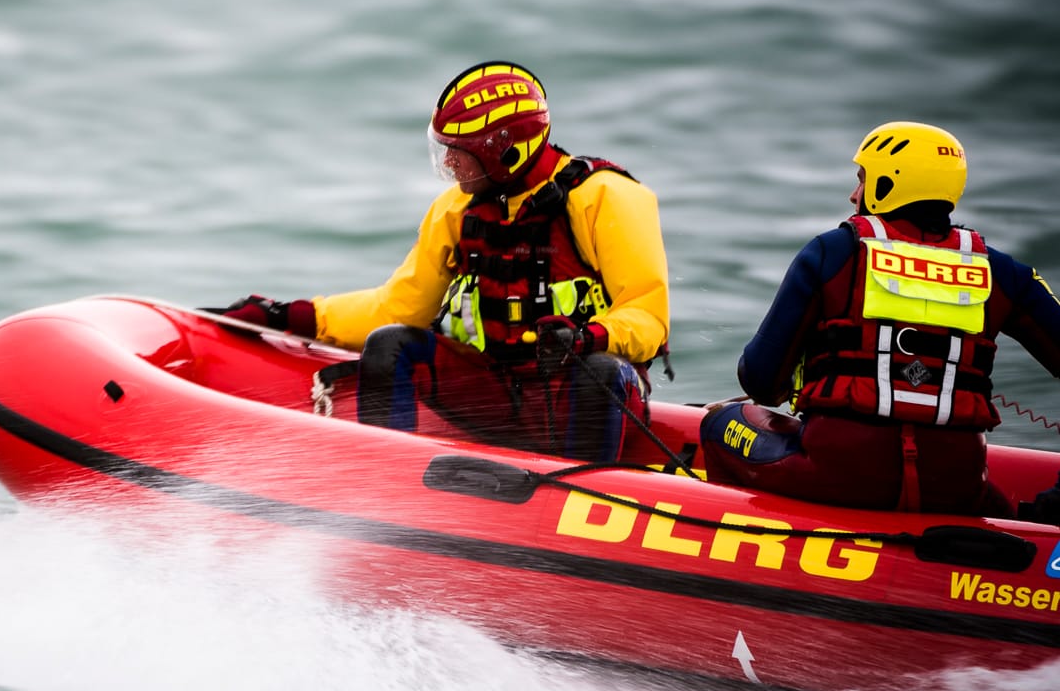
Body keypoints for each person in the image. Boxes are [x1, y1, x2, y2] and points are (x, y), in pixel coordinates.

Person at [217, 60, 670, 461]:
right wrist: (288, 315)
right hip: (495, 391)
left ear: (504, 149)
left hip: (580, 392)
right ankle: (388, 478)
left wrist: (588, 338)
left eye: (460, 151)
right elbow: (398, 308)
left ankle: (580, 509)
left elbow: (650, 319)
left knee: (602, 371)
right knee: (391, 343)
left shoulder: (608, 198)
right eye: (446, 149)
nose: (450, 163)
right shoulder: (454, 211)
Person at [700, 122, 1060, 514]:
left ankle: (749, 548)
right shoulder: (1004, 272)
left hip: (836, 471)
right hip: (956, 485)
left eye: (862, 179)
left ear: (888, 184)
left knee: (721, 422)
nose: (854, 194)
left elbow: (761, 380)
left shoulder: (832, 252)